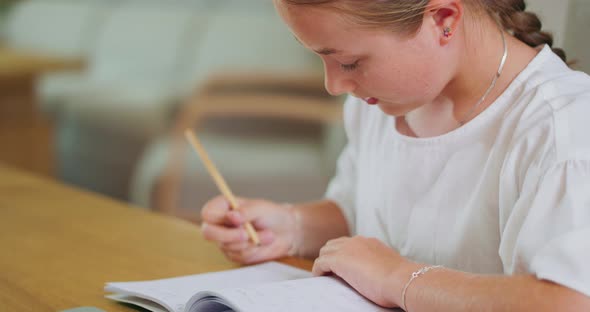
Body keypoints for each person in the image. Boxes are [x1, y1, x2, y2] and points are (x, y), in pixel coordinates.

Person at [200, 0, 590, 310]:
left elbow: (568, 301)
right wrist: (291, 226)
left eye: (349, 61)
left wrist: (396, 278)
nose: (333, 84)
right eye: (320, 57)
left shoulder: (562, 128)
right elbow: (361, 213)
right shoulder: (382, 102)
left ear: (443, 19)